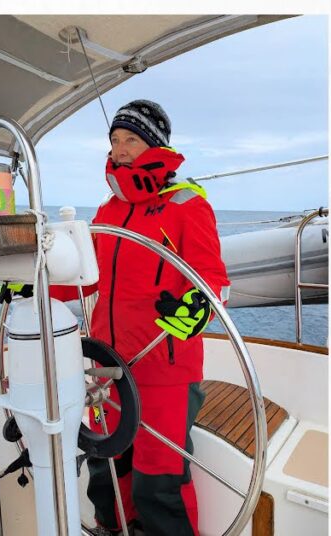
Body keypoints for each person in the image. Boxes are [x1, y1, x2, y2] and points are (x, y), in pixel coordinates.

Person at [61, 100, 229, 536]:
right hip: (107, 364)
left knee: (160, 478)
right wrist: (35, 285)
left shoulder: (186, 206)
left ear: (154, 144)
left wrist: (196, 309)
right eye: (115, 140)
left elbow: (212, 282)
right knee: (106, 464)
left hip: (165, 366)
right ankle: (112, 528)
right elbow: (85, 279)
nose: (119, 149)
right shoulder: (107, 213)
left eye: (130, 139)